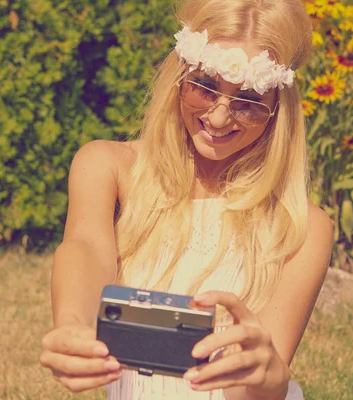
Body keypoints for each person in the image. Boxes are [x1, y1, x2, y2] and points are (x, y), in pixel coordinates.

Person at [40, 0, 333, 398]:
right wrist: (72, 322)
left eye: (248, 103)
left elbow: (267, 381)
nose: (217, 118)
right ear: (179, 75)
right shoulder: (108, 167)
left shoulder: (302, 225)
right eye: (204, 87)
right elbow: (86, 248)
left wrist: (264, 374)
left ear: (278, 110)